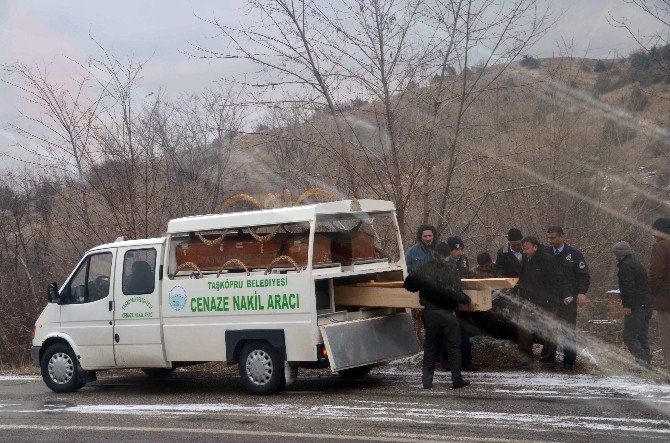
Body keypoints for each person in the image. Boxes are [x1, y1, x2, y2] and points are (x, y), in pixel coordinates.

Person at [404, 242, 474, 389]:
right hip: (447, 313)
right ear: (448, 255)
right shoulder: (450, 270)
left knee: (430, 347)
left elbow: (408, 285)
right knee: (453, 347)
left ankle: (427, 381)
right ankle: (457, 380)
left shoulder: (423, 268)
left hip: (430, 313)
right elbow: (454, 292)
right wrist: (467, 300)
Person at [514, 236, 571, 370]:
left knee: (548, 331)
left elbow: (559, 278)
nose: (524, 251)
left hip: (547, 301)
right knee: (523, 329)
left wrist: (566, 294)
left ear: (535, 247)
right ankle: (526, 359)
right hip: (529, 301)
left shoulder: (547, 260)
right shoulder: (525, 260)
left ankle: (549, 361)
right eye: (523, 249)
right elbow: (522, 278)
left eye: (527, 249)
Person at [546, 226, 590, 371]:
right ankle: (549, 361)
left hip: (568, 300)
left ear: (562, 237)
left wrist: (582, 292)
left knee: (568, 330)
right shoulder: (545, 254)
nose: (550, 241)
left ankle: (569, 362)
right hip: (550, 299)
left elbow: (583, 275)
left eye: (553, 238)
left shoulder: (574, 254)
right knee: (549, 329)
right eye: (549, 238)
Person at [613, 241, 652, 369]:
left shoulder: (625, 267)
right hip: (646, 305)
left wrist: (627, 305)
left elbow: (628, 287)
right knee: (642, 336)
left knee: (629, 337)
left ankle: (642, 361)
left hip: (635, 306)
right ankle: (645, 363)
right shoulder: (637, 264)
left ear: (620, 254)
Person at [649, 218, 670, 372]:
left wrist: (650, 293)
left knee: (667, 338)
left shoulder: (660, 247)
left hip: (666, 300)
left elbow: (656, 274)